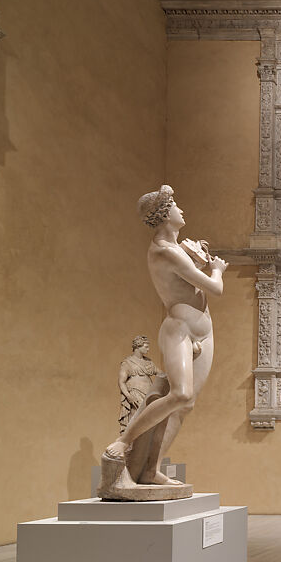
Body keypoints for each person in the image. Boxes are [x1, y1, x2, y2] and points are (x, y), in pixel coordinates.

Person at [100, 185, 227, 496]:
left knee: (186, 405)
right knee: (180, 395)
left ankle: (150, 470)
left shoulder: (177, 248)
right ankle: (121, 444)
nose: (181, 210)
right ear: (164, 214)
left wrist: (198, 254)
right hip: (180, 328)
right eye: (175, 206)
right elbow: (214, 288)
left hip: (202, 329)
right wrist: (218, 269)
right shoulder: (164, 251)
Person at [117, 335, 160, 434]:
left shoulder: (148, 362)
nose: (148, 349)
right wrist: (128, 396)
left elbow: (160, 373)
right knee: (136, 421)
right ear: (138, 347)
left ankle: (144, 446)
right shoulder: (127, 363)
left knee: (148, 423)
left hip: (149, 394)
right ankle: (131, 445)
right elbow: (121, 382)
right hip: (135, 394)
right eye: (146, 347)